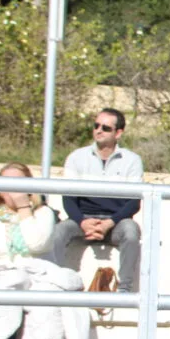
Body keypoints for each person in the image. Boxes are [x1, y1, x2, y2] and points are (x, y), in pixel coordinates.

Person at [52, 108, 144, 292]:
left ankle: (124, 289)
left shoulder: (132, 161)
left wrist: (109, 223)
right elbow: (68, 199)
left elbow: (134, 203)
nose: (98, 130)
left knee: (131, 231)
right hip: (82, 220)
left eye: (105, 128)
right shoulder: (76, 157)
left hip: (115, 223)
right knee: (58, 231)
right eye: (96, 125)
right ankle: (56, 284)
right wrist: (82, 222)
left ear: (118, 133)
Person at [0, 162, 58, 339]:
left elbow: (36, 244)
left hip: (37, 274)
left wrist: (24, 209)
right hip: (4, 275)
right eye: (7, 184)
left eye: (18, 184)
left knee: (49, 312)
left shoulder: (42, 214)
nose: (13, 191)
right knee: (6, 302)